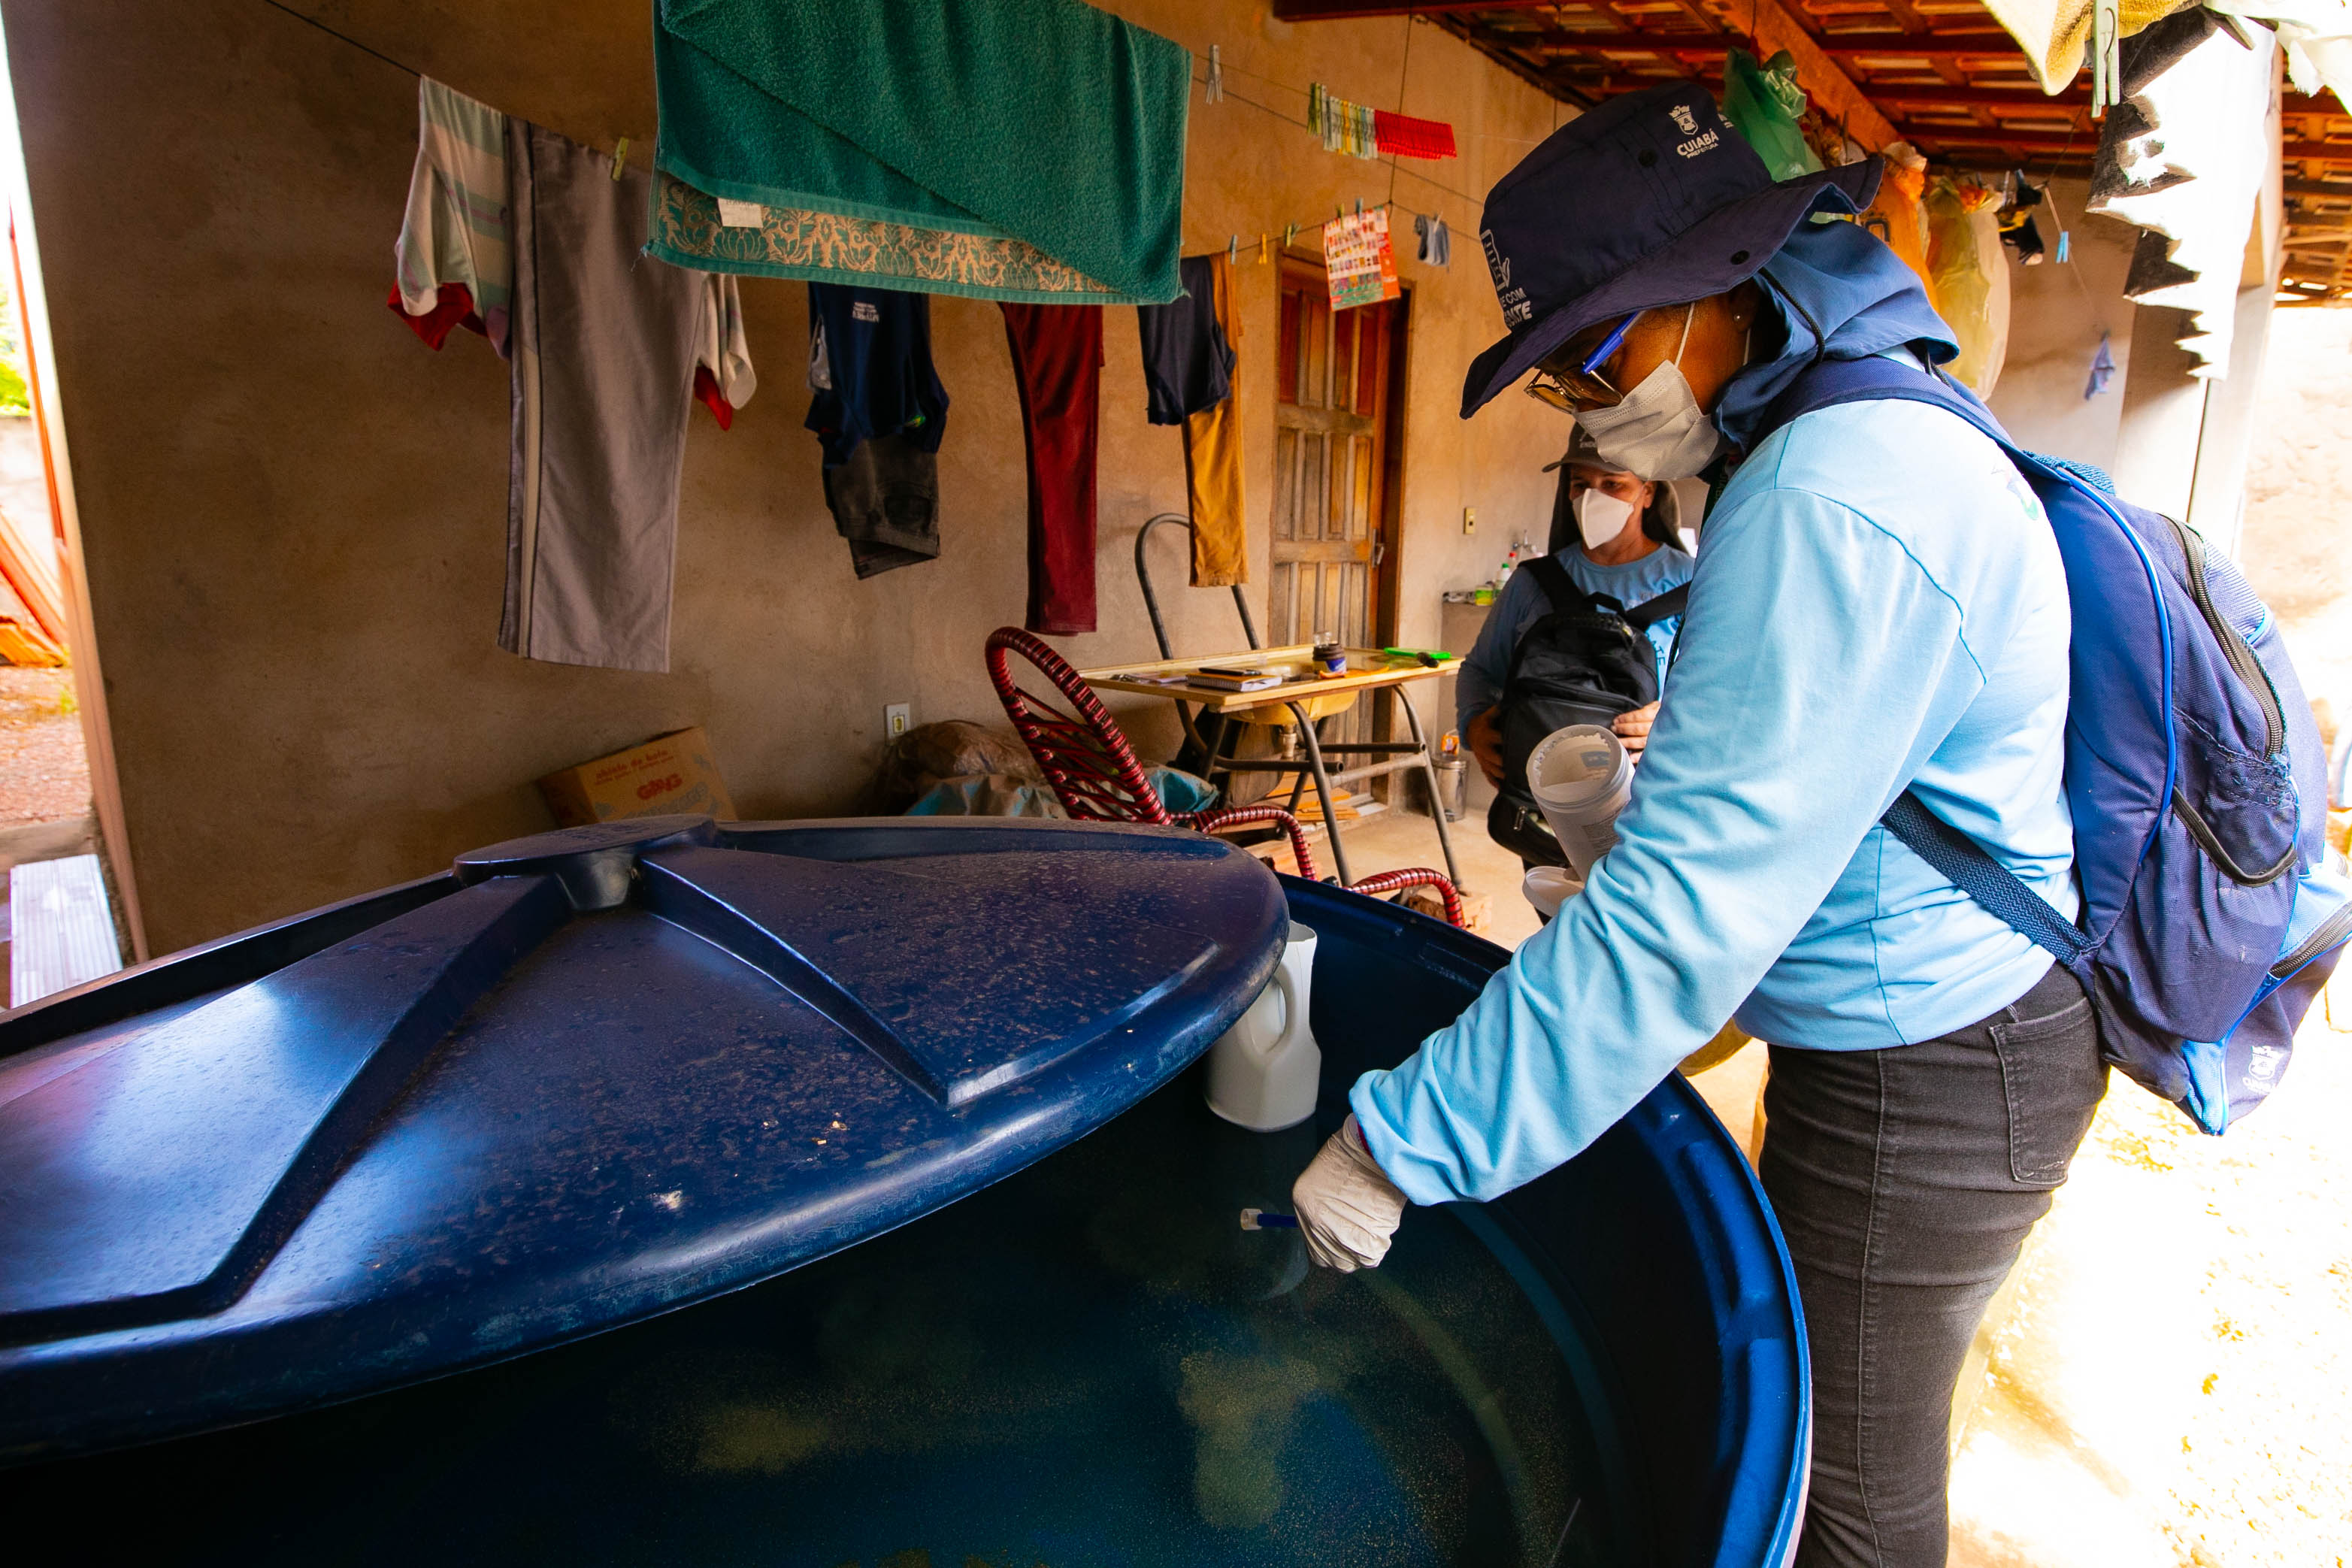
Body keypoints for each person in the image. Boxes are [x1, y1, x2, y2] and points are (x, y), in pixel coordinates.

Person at [1289, 83, 2105, 1568]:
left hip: (1931, 1056)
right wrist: (1614, 814)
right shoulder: (1838, 432)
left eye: (1598, 354)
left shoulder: (1832, 493)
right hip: (1911, 1026)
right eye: (1561, 382)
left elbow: (1677, 931)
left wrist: (1391, 1142)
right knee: (1831, 1444)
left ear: (1711, 286)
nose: (1593, 408)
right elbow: (1774, 809)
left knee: (1845, 1502)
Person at [1458, 425, 1692, 795]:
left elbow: (1731, 694)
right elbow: (1481, 669)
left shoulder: (1691, 584)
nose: (1592, 498)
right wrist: (1473, 724)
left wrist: (1676, 721)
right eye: (1580, 484)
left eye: (1613, 484)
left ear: (1648, 493)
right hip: (1544, 797)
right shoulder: (1533, 582)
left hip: (1647, 797)